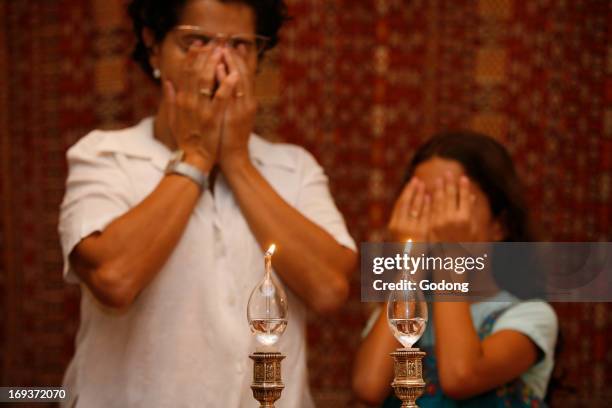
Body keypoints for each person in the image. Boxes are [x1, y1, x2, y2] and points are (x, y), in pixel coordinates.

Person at [58, 1, 357, 407]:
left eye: (239, 45)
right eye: (196, 41)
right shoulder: (105, 156)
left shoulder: (295, 168)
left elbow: (328, 289)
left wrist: (236, 162)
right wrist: (196, 155)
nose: (220, 62)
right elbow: (114, 278)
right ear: (153, 46)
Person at [352, 132, 558, 407]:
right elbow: (368, 386)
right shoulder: (404, 309)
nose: (438, 221)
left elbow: (461, 377)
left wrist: (451, 253)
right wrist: (411, 258)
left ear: (500, 225)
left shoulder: (529, 315)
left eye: (454, 203)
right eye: (422, 204)